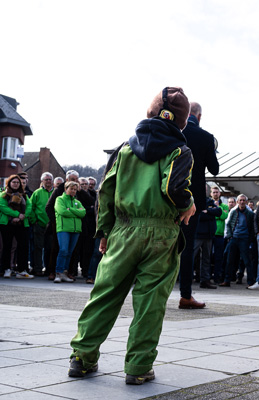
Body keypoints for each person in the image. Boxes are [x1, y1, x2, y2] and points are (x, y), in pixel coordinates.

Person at [69, 87, 196, 385]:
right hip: (161, 233)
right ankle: (138, 368)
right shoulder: (180, 150)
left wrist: (104, 231)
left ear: (148, 113)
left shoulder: (123, 150)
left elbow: (106, 193)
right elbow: (174, 188)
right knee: (150, 302)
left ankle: (82, 358)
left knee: (104, 295)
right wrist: (188, 204)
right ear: (184, 122)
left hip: (123, 230)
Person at [179, 101, 219, 309]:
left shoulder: (174, 132)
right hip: (191, 199)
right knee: (185, 247)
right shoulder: (206, 137)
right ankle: (185, 295)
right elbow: (214, 169)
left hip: (166, 196)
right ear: (199, 116)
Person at [1, 174, 33, 279]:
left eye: (17, 182)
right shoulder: (3, 195)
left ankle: (21, 270)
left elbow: (29, 206)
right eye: (13, 182)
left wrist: (22, 217)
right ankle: (7, 269)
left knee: (23, 247)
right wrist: (16, 215)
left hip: (22, 224)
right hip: (8, 224)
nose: (16, 184)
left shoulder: (24, 195)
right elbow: (3, 207)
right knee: (7, 246)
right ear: (9, 183)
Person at [54, 181, 86, 283]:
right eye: (71, 189)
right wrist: (76, 212)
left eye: (75, 189)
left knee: (69, 252)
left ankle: (65, 272)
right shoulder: (60, 199)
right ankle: (58, 273)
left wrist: (71, 209)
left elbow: (83, 213)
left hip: (75, 230)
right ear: (66, 189)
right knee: (63, 250)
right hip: (63, 229)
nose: (73, 191)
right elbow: (62, 211)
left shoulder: (77, 202)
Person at [220, 194, 255, 286]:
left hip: (244, 239)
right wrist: (230, 236)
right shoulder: (233, 211)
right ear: (237, 202)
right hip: (234, 238)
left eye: (244, 200)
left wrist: (250, 239)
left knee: (247, 261)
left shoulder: (250, 213)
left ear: (246, 202)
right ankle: (227, 280)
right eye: (240, 200)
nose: (242, 202)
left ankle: (250, 282)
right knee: (229, 259)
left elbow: (252, 227)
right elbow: (228, 223)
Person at [195, 192, 222, 289]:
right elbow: (198, 215)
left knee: (206, 258)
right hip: (197, 235)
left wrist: (207, 211)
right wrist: (211, 212)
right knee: (191, 257)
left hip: (209, 235)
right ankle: (185, 278)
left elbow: (219, 212)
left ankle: (205, 280)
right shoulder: (194, 200)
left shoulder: (209, 201)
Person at [29, 172, 54, 276]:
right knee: (38, 247)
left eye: (50, 179)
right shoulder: (37, 193)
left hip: (51, 225)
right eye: (46, 179)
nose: (48, 181)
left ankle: (48, 269)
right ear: (42, 181)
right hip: (39, 224)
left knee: (49, 248)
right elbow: (31, 207)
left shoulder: (56, 193)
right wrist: (35, 220)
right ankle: (38, 268)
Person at [210, 186, 228, 283]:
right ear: (211, 194)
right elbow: (208, 215)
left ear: (220, 194)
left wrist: (217, 208)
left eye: (217, 192)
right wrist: (216, 213)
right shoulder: (208, 204)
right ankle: (207, 276)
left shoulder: (224, 206)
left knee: (218, 257)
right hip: (210, 234)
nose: (215, 194)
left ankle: (217, 277)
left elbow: (224, 216)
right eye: (214, 192)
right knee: (207, 256)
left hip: (219, 235)